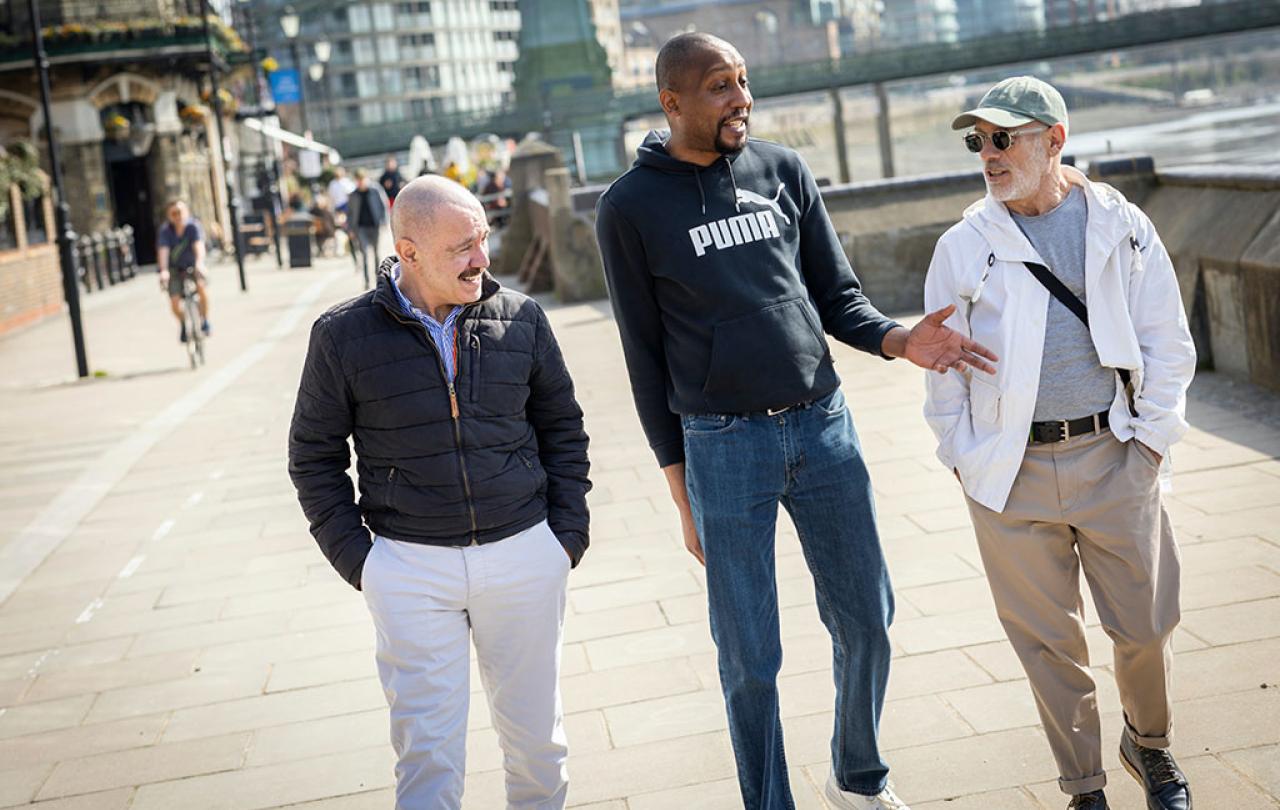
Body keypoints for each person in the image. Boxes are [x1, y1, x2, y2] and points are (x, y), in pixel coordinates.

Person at [594, 32, 997, 810]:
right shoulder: (630, 207)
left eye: (744, 81)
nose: (741, 99)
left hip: (823, 426)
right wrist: (683, 497)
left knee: (868, 618)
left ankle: (857, 779)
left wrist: (900, 339)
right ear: (671, 102)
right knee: (750, 656)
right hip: (722, 446)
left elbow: (836, 294)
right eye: (719, 86)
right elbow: (644, 362)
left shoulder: (783, 171)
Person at [922, 77, 1196, 810]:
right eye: (978, 140)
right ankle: (1084, 787)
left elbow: (1167, 339)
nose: (988, 154)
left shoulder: (1121, 223)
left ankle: (1150, 742)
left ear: (1055, 140)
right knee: (1048, 646)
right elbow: (940, 369)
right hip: (1008, 477)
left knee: (1146, 625)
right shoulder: (962, 245)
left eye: (1004, 137)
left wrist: (1150, 446)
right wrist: (963, 456)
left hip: (1114, 456)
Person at [288, 175, 591, 809]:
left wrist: (564, 539)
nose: (482, 258)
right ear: (409, 250)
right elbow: (313, 458)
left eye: (483, 239)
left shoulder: (523, 318)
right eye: (462, 247)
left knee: (539, 748)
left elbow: (563, 428)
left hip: (524, 554)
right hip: (410, 568)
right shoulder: (342, 336)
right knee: (427, 759)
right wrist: (365, 565)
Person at [155, 199, 210, 342]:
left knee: (201, 289)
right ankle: (184, 324)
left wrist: (199, 263)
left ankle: (204, 321)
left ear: (187, 212)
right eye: (174, 213)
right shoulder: (166, 231)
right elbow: (163, 251)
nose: (177, 216)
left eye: (180, 212)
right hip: (174, 269)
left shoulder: (193, 227)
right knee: (174, 302)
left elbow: (198, 245)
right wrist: (164, 270)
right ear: (169, 216)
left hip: (192, 266)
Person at [348, 169, 389, 289]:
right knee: (365, 254)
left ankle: (378, 279)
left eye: (362, 180)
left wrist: (384, 221)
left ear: (366, 179)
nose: (360, 183)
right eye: (358, 181)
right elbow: (350, 213)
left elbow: (384, 205)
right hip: (361, 228)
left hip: (374, 225)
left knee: (376, 253)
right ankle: (366, 281)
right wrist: (350, 229)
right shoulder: (353, 195)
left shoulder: (375, 190)